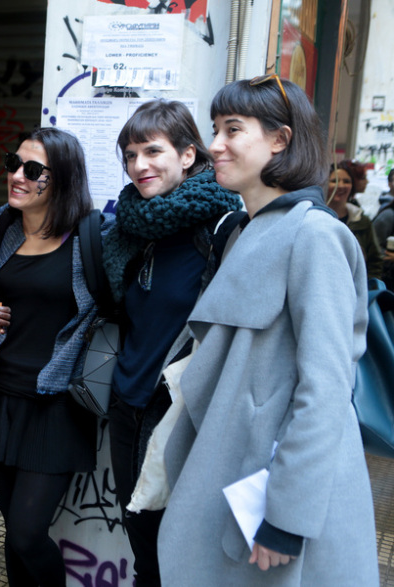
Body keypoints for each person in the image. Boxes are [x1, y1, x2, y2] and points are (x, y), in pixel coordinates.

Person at [157, 76, 378, 585]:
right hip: (231, 475)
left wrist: (287, 517)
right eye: (215, 129)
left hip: (272, 496)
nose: (215, 145)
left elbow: (325, 389)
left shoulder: (315, 235)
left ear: (280, 139)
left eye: (233, 129)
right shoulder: (245, 229)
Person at [102, 99, 243, 587]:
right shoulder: (130, 226)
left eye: (152, 151)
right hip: (128, 406)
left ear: (187, 155)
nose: (139, 165)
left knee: (178, 552)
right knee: (142, 543)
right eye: (129, 154)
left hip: (181, 414)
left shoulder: (224, 228)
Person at [0, 127, 99, 587]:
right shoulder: (2, 226)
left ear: (63, 178)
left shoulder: (90, 236)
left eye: (33, 170)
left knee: (28, 534)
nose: (17, 177)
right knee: (13, 533)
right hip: (3, 397)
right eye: (13, 164)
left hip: (56, 404)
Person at [326, 163, 383, 279]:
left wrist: (367, 289)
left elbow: (375, 261)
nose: (340, 185)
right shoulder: (314, 218)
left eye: (346, 181)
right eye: (334, 180)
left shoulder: (362, 221)